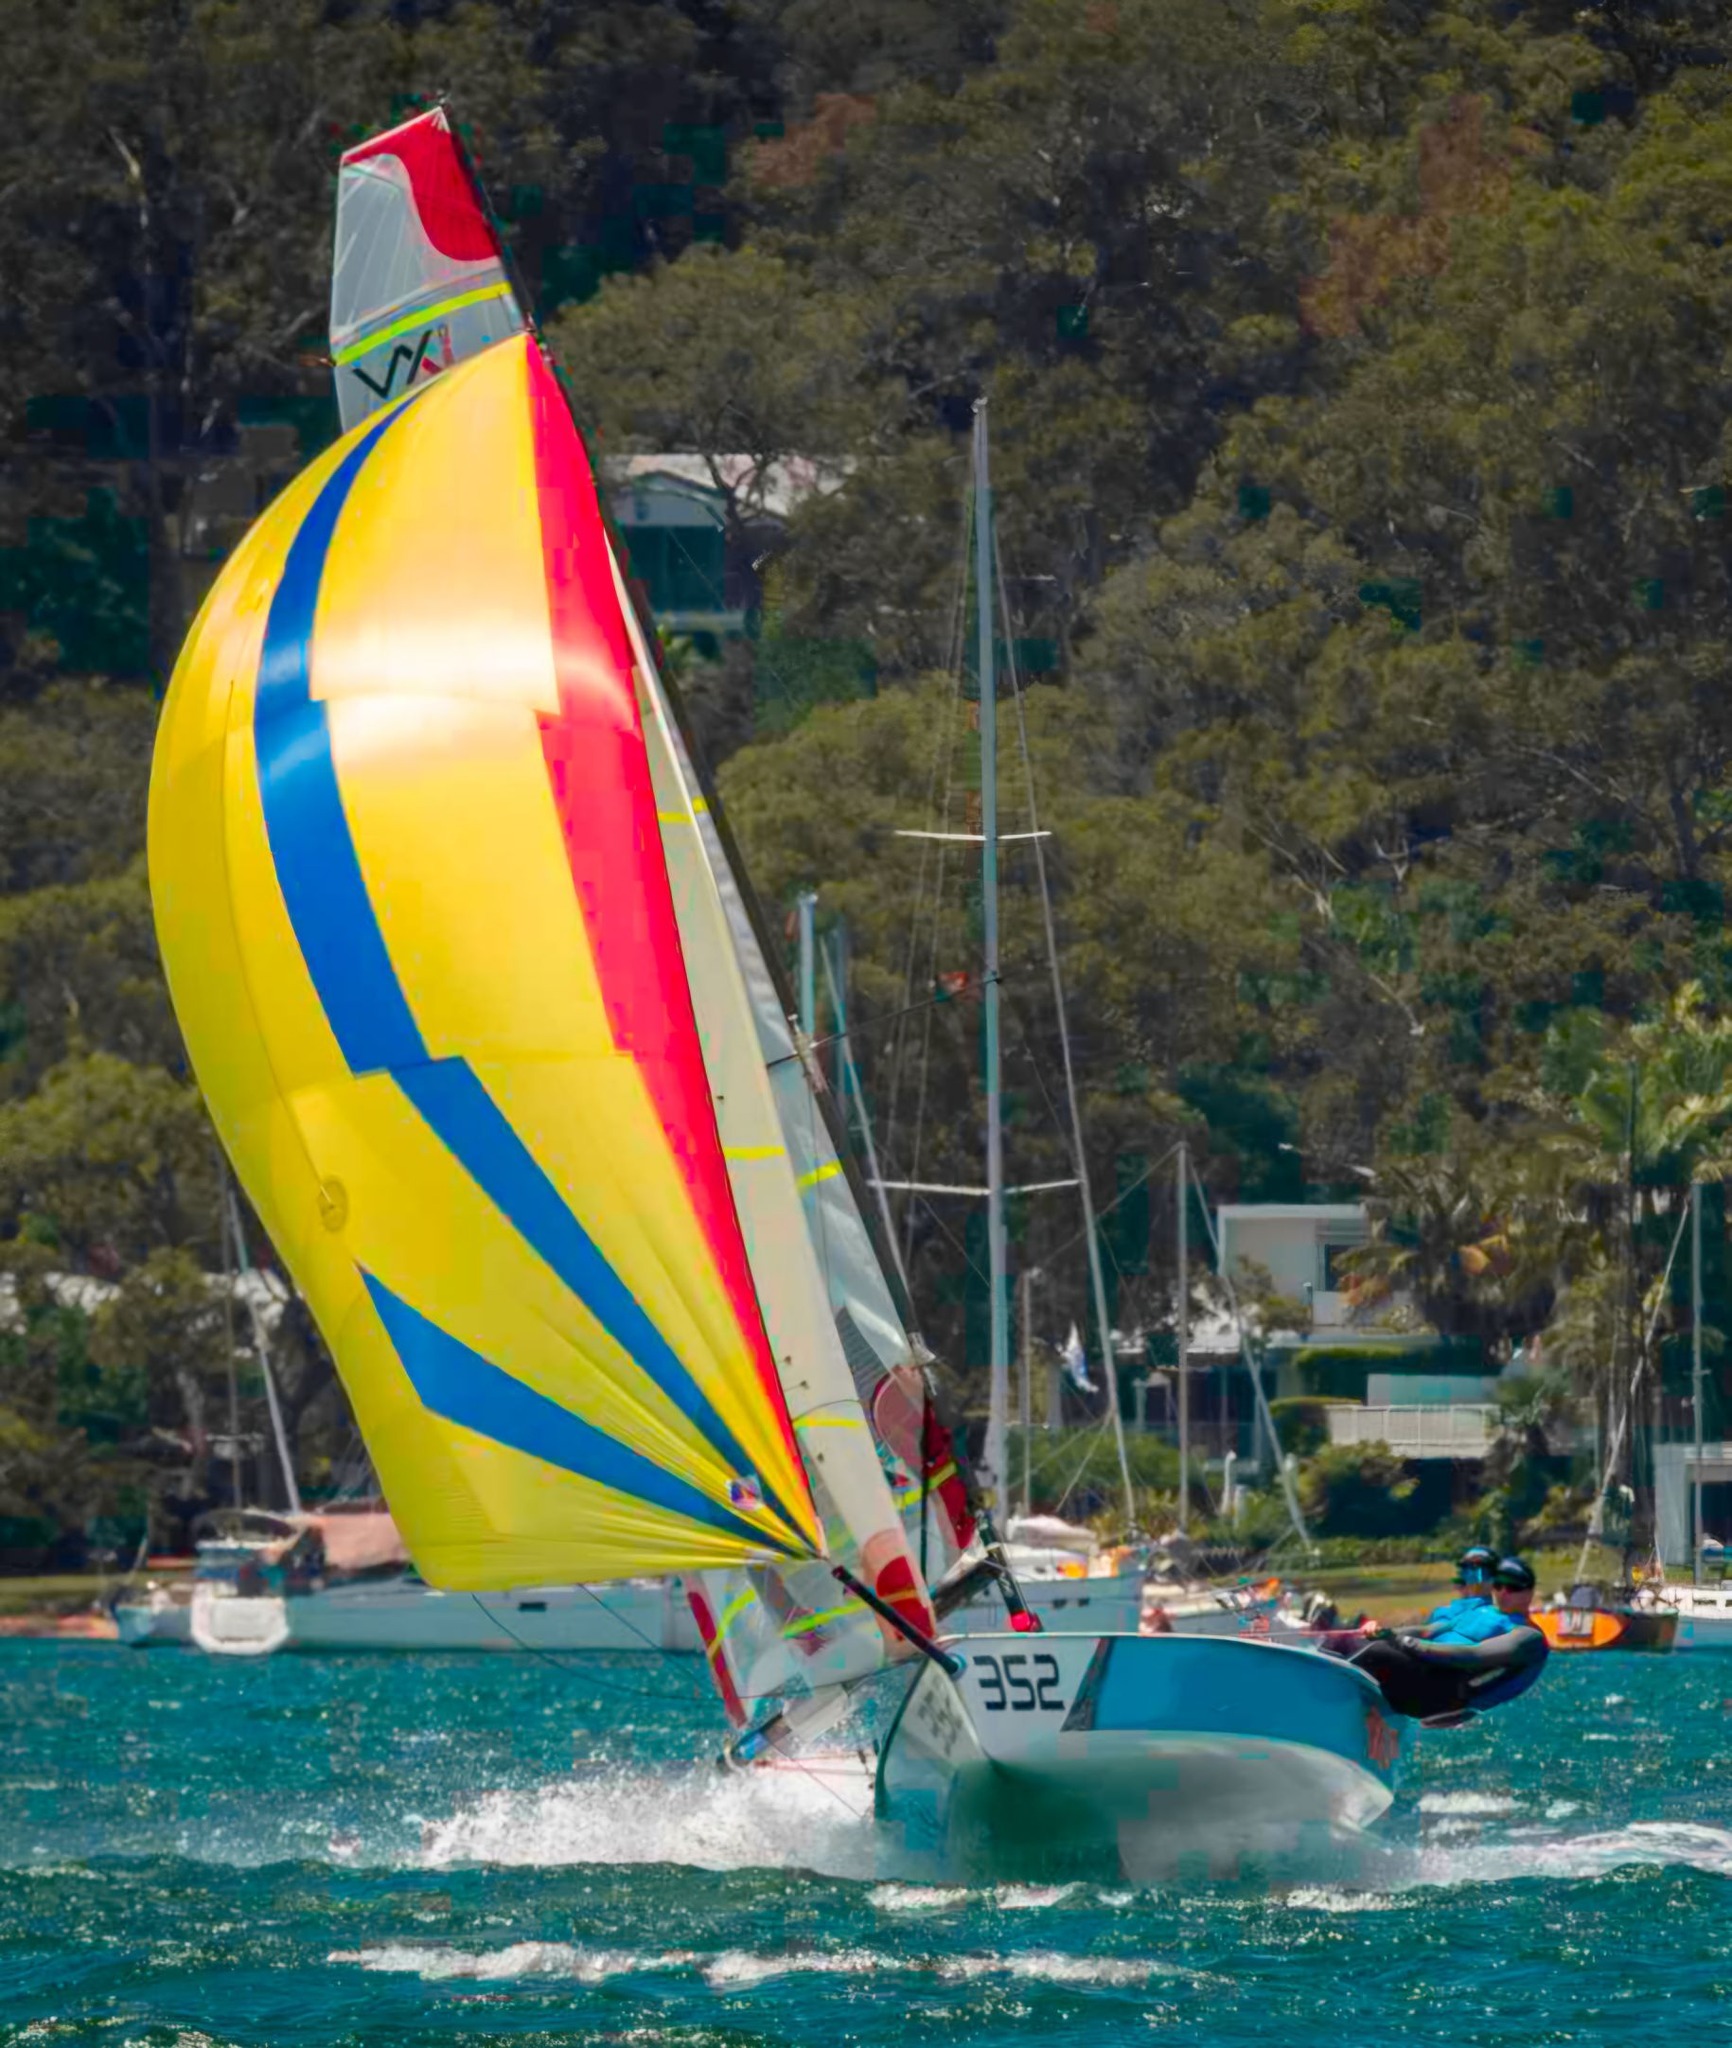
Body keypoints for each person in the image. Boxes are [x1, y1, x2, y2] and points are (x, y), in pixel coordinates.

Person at [1345, 1556, 1549, 1724]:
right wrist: (1384, 1632)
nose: (1503, 1592)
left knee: (1378, 1653)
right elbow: (1428, 1631)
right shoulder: (1481, 1610)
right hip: (1421, 1671)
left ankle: (1333, 1703)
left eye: (1513, 1587)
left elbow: (1473, 1655)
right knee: (1353, 1644)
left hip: (1446, 1694)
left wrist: (1402, 1642)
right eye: (1499, 1584)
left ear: (1529, 1592)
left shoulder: (1528, 1636)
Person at [1424, 1545, 1498, 1627]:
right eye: (1464, 1566)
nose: (1468, 1573)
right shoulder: (1441, 1611)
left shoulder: (1494, 1617)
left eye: (1475, 1566)